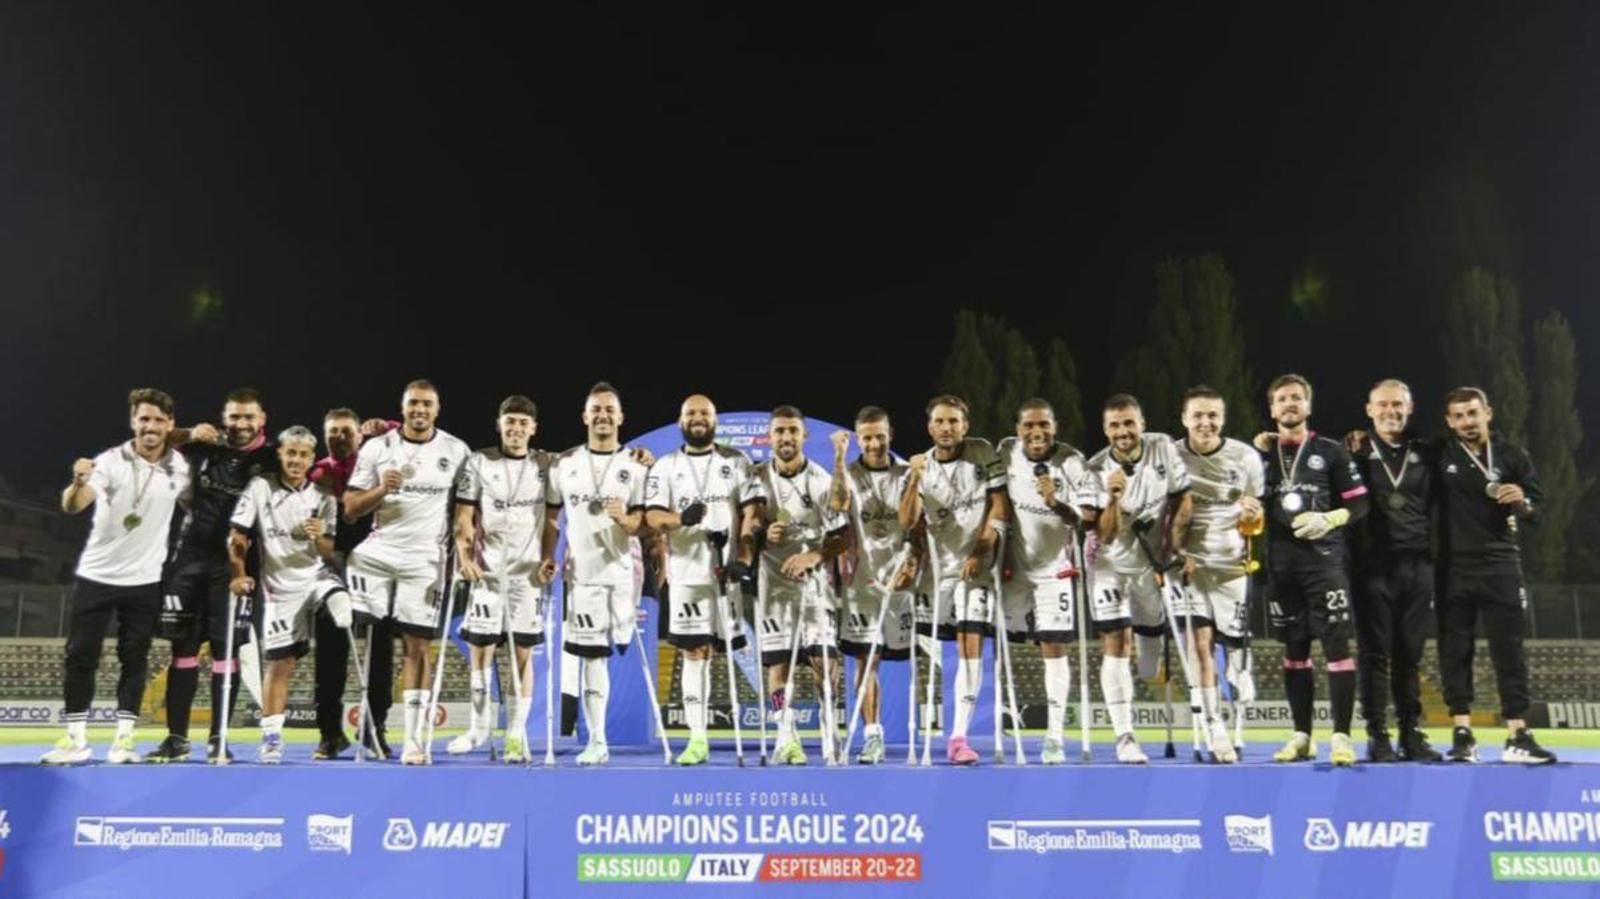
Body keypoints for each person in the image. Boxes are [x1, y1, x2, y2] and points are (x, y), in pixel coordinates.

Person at [44, 389, 193, 765]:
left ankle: (123, 741)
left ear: (170, 425)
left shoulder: (181, 468)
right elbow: (73, 505)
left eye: (159, 420)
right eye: (144, 419)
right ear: (133, 422)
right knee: (80, 657)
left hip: (145, 581)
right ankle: (76, 740)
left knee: (135, 658)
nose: (151, 427)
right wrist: (78, 482)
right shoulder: (110, 461)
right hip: (97, 575)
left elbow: (194, 504)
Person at [343, 379, 471, 765]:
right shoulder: (378, 447)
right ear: (402, 408)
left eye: (426, 404)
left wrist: (463, 554)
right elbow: (350, 508)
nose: (420, 410)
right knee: (369, 642)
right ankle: (370, 725)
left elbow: (466, 511)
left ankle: (415, 740)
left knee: (418, 647)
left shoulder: (456, 450)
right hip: (378, 554)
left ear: (437, 408)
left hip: (425, 560)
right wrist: (382, 489)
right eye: (413, 403)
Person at [147, 387, 277, 764]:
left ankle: (219, 738)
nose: (241, 423)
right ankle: (176, 739)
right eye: (234, 416)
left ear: (262, 419)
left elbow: (307, 470)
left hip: (235, 568)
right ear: (223, 418)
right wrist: (189, 433)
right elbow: (152, 440)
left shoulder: (271, 459)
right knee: (182, 651)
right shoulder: (204, 448)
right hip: (186, 563)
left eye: (248, 416)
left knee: (227, 651)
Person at [1435, 387, 1554, 764]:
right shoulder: (1439, 454)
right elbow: (1392, 447)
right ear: (1449, 422)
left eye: (1473, 413)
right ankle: (1462, 734)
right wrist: (1357, 440)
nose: (1467, 422)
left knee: (1510, 652)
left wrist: (1523, 502)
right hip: (1452, 568)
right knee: (1456, 650)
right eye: (1459, 416)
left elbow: (1538, 512)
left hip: (1501, 564)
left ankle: (1518, 734)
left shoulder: (1513, 455)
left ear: (1488, 412)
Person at [644, 394, 762, 766]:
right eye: (691, 413)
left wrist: (743, 556)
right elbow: (651, 518)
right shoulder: (666, 466)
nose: (697, 418)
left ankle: (780, 733)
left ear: (715, 421)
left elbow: (752, 513)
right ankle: (697, 739)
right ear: (681, 420)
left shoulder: (736, 461)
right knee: (694, 653)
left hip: (725, 575)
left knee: (718, 654)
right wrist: (682, 519)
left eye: (705, 413)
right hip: (687, 576)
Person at [1257, 374, 1368, 767]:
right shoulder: (1259, 455)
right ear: (1272, 409)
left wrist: (1333, 518)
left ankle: (1341, 736)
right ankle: (1301, 735)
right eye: (1282, 398)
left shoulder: (1331, 451)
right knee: (1294, 653)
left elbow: (1360, 504)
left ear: (1308, 406)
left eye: (1297, 398)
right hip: (1282, 570)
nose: (1290, 404)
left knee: (1337, 649)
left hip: (1324, 566)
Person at [227, 426, 354, 764]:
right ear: (281, 454)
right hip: (279, 588)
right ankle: (271, 740)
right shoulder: (260, 488)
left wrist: (319, 536)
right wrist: (239, 574)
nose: (296, 460)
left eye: (303, 455)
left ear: (312, 459)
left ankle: (339, 603)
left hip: (316, 576)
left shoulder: (324, 497)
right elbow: (237, 535)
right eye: (291, 453)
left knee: (336, 597)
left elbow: (329, 551)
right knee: (280, 663)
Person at [898, 395, 1009, 766]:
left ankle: (958, 737)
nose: (947, 428)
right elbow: (907, 523)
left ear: (966, 425)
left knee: (969, 645)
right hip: (937, 575)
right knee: (939, 648)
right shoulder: (921, 465)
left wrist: (981, 551)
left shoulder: (981, 452)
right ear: (930, 427)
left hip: (974, 569)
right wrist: (914, 478)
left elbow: (999, 505)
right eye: (940, 422)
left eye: (954, 421)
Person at [1082, 394, 1192, 765]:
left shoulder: (1162, 447)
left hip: (1150, 564)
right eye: (1114, 425)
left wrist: (1176, 546)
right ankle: (1125, 736)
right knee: (1116, 641)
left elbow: (1181, 498)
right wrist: (1113, 500)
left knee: (1148, 663)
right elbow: (1106, 534)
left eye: (1129, 423)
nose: (1123, 431)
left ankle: (1149, 667)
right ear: (1105, 430)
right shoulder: (1094, 468)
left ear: (1142, 423)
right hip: (1108, 564)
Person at [451, 395, 559, 764]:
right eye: (509, 422)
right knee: (480, 651)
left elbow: (553, 521)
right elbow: (464, 516)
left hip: (525, 575)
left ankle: (515, 733)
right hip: (486, 573)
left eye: (522, 423)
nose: (515, 428)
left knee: (522, 655)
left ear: (533, 428)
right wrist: (465, 556)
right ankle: (479, 728)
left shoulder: (547, 464)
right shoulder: (479, 462)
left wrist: (547, 558)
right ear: (499, 425)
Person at [549, 383, 650, 766]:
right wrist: (549, 555)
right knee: (594, 658)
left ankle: (601, 736)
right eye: (596, 409)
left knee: (619, 645)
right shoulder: (565, 465)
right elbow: (547, 515)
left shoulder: (637, 466)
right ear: (585, 416)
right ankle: (598, 740)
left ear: (621, 417)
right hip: (585, 579)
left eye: (610, 409)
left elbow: (646, 522)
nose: (603, 415)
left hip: (624, 575)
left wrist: (626, 520)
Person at [1345, 380, 1443, 762]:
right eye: (1383, 405)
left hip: (1418, 566)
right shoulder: (1352, 451)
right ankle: (1377, 733)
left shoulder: (1428, 452)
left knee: (1410, 655)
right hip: (1371, 569)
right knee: (1374, 655)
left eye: (1398, 405)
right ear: (1369, 410)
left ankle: (1410, 730)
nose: (1391, 411)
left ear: (1410, 409)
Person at [752, 407, 851, 765]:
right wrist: (763, 535)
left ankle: (830, 732)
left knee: (824, 661)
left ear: (804, 436)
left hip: (813, 588)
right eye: (779, 431)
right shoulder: (757, 479)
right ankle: (786, 734)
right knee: (778, 668)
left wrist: (815, 556)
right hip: (773, 588)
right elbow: (742, 530)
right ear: (770, 437)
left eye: (792, 430)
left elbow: (842, 534)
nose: (786, 437)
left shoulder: (822, 480)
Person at [998, 398, 1094, 765]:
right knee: (1001, 648)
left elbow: (1084, 519)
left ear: (1055, 427)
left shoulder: (1072, 462)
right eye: (1028, 426)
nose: (1036, 433)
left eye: (1044, 426)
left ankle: (1053, 736)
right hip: (1014, 572)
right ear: (1018, 429)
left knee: (1054, 651)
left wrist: (1055, 503)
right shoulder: (1006, 452)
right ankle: (995, 725)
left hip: (1055, 572)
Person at [1174, 386, 1264, 764]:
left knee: (1235, 652)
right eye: (1198, 415)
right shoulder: (1172, 456)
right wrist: (1176, 554)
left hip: (1232, 568)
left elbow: (1258, 517)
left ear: (1223, 419)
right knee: (1200, 647)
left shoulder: (1245, 457)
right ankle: (1215, 729)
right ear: (1184, 419)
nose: (1205, 422)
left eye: (1212, 415)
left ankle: (1240, 674)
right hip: (1191, 567)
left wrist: (1251, 518)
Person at [831, 407, 919, 765]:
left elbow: (916, 525)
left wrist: (913, 563)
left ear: (890, 434)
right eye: (866, 437)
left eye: (879, 435)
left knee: (911, 655)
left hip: (902, 583)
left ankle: (933, 734)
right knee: (867, 661)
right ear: (858, 438)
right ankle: (873, 736)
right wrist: (839, 457)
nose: (873, 443)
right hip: (862, 585)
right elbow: (837, 506)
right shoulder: (848, 474)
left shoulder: (906, 474)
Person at [309, 409, 397, 759]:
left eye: (347, 431)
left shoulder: (376, 455)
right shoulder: (320, 472)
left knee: (382, 649)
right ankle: (330, 732)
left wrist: (385, 425)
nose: (340, 437)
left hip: (379, 560)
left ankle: (374, 727)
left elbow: (410, 434)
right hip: (332, 563)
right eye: (333, 431)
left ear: (360, 435)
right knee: (330, 651)